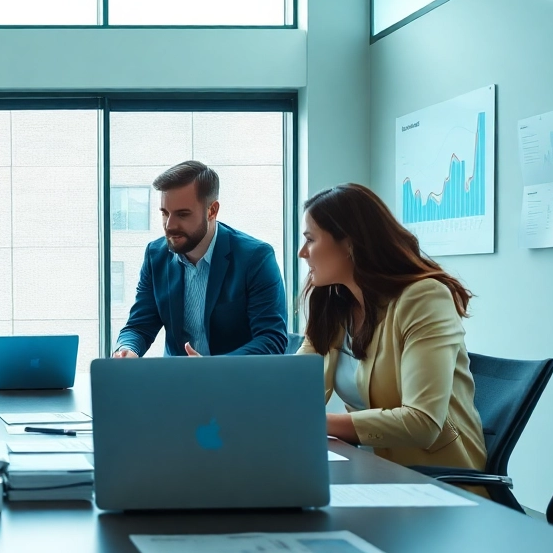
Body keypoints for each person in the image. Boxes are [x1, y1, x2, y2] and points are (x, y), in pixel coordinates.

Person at [297, 183, 485, 470]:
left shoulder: (424, 298)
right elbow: (292, 387)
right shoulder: (335, 305)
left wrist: (318, 423)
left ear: (349, 243)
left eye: (310, 239)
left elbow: (422, 422)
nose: (302, 252)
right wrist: (215, 378)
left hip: (434, 479)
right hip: (367, 469)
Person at [113, 160, 288, 358]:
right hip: (176, 384)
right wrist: (127, 349)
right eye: (165, 213)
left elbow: (272, 340)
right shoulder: (156, 255)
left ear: (212, 211)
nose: (169, 225)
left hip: (236, 385)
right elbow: (139, 326)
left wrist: (210, 369)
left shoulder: (256, 258)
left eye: (182, 214)